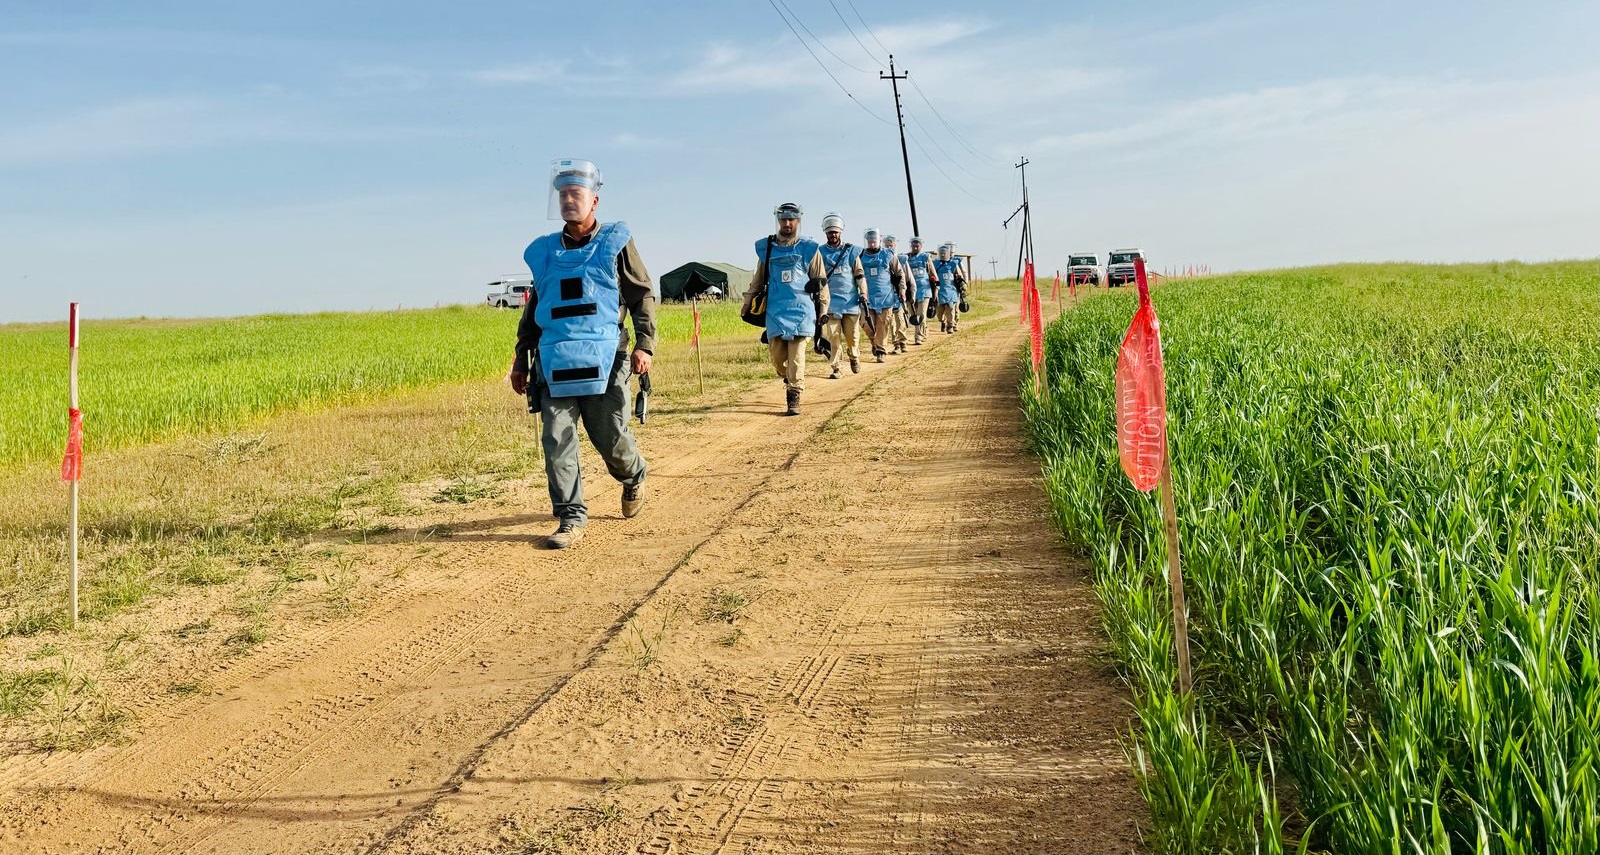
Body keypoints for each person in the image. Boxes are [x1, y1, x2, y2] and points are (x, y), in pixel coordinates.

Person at [510, 158, 653, 550]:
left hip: (607, 359)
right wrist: (521, 357)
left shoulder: (616, 243)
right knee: (557, 439)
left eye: (576, 194)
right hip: (555, 361)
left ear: (594, 200)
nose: (569, 200)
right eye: (563, 194)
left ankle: (633, 474)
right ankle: (571, 516)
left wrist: (645, 345)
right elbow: (536, 309)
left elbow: (641, 296)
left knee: (610, 437)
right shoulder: (544, 254)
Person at [742, 202, 827, 415]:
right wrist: (747, 304)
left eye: (791, 219)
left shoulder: (809, 248)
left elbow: (821, 282)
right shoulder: (768, 248)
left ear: (798, 221)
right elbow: (758, 281)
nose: (787, 223)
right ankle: (788, 377)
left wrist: (823, 312)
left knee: (797, 356)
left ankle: (794, 395)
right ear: (778, 220)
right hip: (775, 310)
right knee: (778, 358)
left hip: (802, 309)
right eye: (784, 219)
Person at [816, 213, 867, 378]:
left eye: (835, 232)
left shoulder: (851, 251)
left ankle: (854, 356)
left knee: (852, 337)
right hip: (830, 304)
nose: (833, 235)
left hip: (850, 302)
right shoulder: (820, 252)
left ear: (840, 232)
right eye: (830, 232)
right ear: (826, 233)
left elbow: (859, 274)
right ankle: (836, 368)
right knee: (834, 337)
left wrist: (863, 293)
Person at [859, 228, 906, 360]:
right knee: (865, 324)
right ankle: (875, 342)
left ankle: (881, 350)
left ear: (878, 241)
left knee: (883, 324)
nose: (872, 244)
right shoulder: (860, 256)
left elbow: (900, 274)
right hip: (867, 297)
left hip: (886, 297)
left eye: (874, 241)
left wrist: (902, 290)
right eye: (869, 242)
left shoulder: (889, 255)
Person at [903, 237, 936, 345]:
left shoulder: (926, 257)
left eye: (917, 245)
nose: (915, 247)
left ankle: (918, 336)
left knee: (921, 313)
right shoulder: (906, 258)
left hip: (924, 290)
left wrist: (936, 290)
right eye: (913, 245)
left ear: (921, 246)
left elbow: (933, 274)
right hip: (910, 290)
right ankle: (924, 330)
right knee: (913, 314)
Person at [933, 242, 967, 333]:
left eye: (945, 253)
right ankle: (943, 321)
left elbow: (959, 276)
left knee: (951, 309)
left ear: (948, 253)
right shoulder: (935, 264)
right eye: (941, 253)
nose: (943, 254)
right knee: (939, 313)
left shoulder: (953, 264)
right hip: (939, 291)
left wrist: (962, 285)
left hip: (951, 291)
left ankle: (950, 326)